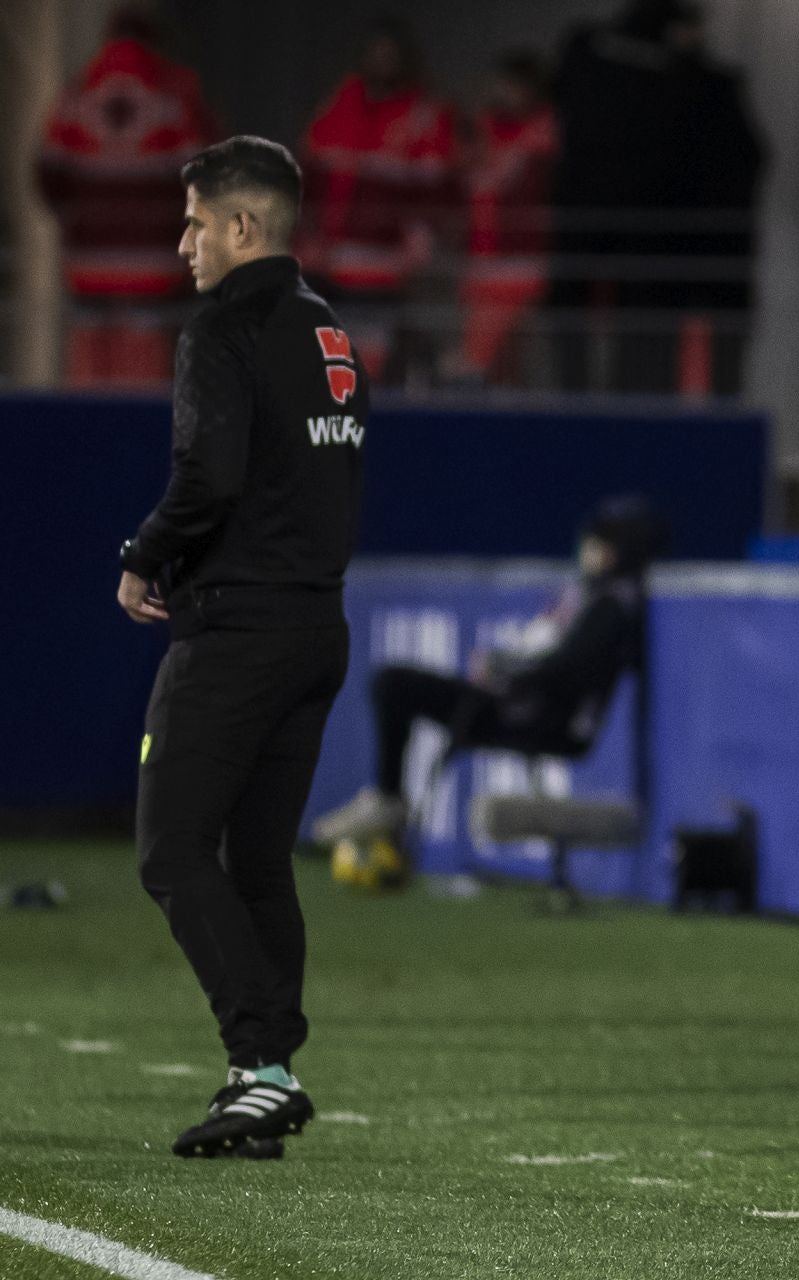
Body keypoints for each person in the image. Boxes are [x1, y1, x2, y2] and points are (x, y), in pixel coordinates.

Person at [119, 137, 367, 1159]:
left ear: (242, 226)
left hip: (241, 627)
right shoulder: (327, 329)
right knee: (258, 861)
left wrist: (144, 555)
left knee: (172, 848)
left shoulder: (225, 325)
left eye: (194, 222)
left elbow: (209, 474)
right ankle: (263, 1080)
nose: (183, 243)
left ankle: (260, 1062)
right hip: (318, 626)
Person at [313, 499, 658, 845]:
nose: (589, 549)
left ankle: (390, 804)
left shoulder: (613, 607)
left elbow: (563, 667)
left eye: (602, 543)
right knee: (393, 684)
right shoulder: (588, 595)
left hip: (533, 717)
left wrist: (506, 671)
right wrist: (506, 664)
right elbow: (546, 655)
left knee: (394, 685)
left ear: (620, 553)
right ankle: (388, 802)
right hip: (516, 704)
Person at [549, 0, 764, 394]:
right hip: (632, 233)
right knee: (627, 340)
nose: (698, 37)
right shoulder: (606, 63)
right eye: (689, 27)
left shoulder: (708, 84)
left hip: (681, 245)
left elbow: (750, 158)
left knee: (656, 350)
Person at [36, 4, 218, 386]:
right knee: (142, 386)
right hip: (153, 265)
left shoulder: (79, 92)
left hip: (89, 262)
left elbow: (48, 174)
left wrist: (82, 220)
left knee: (88, 381)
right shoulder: (174, 94)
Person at [300, 19, 458, 381]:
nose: (381, 64)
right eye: (375, 55)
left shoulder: (423, 117)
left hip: (382, 263)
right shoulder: (338, 106)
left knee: (370, 365)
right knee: (321, 363)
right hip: (326, 260)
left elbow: (437, 193)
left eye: (389, 57)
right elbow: (311, 178)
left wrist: (419, 245)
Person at [457, 51, 558, 384]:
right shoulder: (479, 131)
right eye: (502, 85)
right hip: (484, 260)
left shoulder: (547, 133)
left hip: (528, 262)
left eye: (515, 86)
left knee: (522, 362)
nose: (505, 93)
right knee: (479, 362)